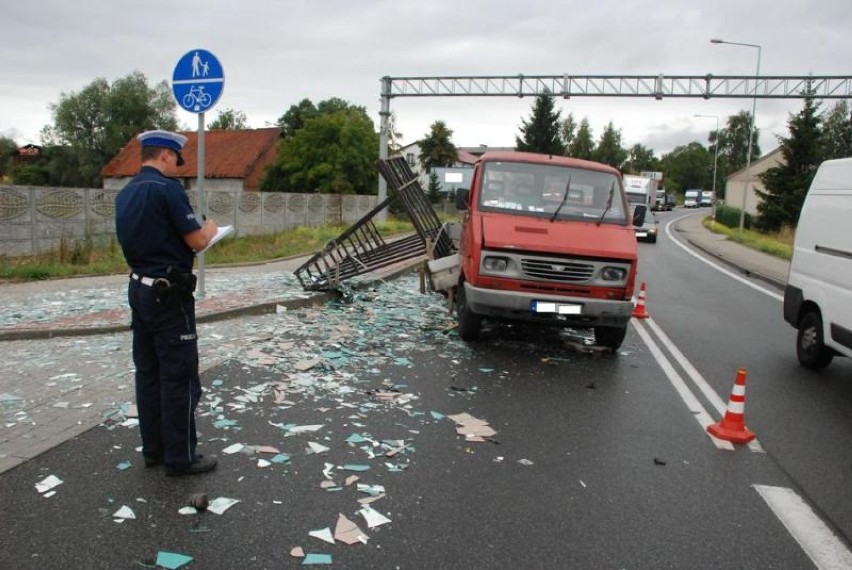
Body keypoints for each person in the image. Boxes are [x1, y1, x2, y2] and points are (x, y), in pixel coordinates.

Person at [115, 130, 219, 476]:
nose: (178, 167)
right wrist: (211, 229)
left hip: (138, 289)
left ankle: (154, 450)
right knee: (178, 376)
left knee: (148, 373)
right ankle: (181, 458)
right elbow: (196, 240)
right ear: (164, 156)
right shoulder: (168, 190)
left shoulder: (126, 192)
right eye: (176, 160)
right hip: (168, 295)